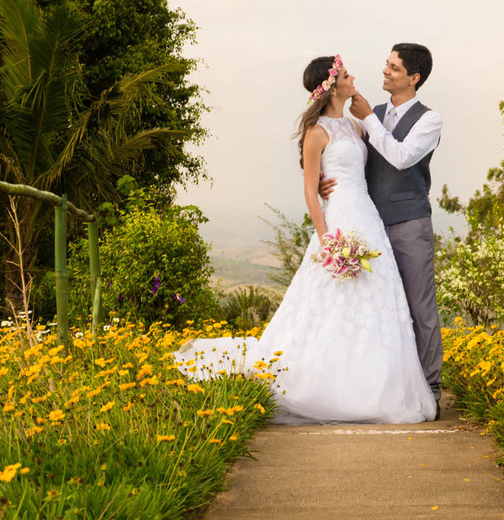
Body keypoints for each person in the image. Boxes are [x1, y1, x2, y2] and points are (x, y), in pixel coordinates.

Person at [175, 55, 436, 424]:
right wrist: (326, 239)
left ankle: (371, 383)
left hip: (368, 219)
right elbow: (310, 191)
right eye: (345, 74)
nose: (353, 78)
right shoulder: (316, 132)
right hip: (339, 220)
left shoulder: (358, 126)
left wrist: (420, 190)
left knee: (377, 300)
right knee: (330, 301)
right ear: (331, 85)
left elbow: (390, 164)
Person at [327, 43, 443, 415]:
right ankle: (385, 387)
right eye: (386, 64)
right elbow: (340, 153)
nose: (385, 72)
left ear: (414, 78)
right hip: (371, 227)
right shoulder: (371, 115)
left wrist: (371, 122)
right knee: (382, 309)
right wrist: (318, 181)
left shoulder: (429, 120)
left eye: (394, 68)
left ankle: (431, 390)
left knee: (419, 306)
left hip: (409, 223)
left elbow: (401, 157)